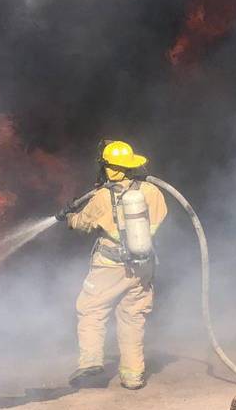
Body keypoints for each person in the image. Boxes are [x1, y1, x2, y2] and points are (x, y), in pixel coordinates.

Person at [58, 140, 167, 390]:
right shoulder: (152, 192)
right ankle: (133, 375)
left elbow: (84, 223)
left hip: (110, 264)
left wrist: (70, 218)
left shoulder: (102, 197)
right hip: (142, 265)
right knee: (133, 317)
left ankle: (91, 363)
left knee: (91, 309)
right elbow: (159, 217)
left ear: (108, 168)